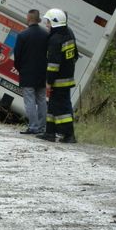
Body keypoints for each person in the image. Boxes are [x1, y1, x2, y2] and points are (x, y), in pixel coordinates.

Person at [36, 8, 78, 143]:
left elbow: (53, 64)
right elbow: (75, 55)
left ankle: (69, 135)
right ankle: (50, 133)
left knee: (62, 108)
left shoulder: (55, 39)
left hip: (59, 80)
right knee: (53, 106)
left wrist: (49, 81)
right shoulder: (68, 34)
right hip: (66, 77)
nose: (46, 25)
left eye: (48, 22)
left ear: (54, 23)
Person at [13, 9, 48, 134]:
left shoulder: (22, 35)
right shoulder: (46, 35)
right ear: (38, 19)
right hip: (42, 73)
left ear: (28, 18)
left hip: (27, 73)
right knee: (42, 100)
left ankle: (33, 127)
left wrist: (20, 69)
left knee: (30, 101)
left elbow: (17, 55)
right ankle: (43, 127)